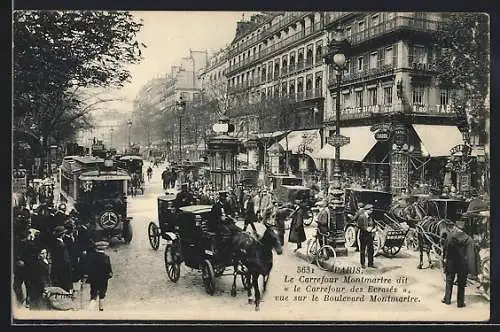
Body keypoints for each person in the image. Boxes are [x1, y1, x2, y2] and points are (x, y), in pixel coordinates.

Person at [441, 223, 471, 308]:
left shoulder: (450, 237)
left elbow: (445, 250)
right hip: (462, 265)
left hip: (451, 264)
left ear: (456, 228)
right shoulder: (467, 238)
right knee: (461, 284)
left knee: (449, 281)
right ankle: (460, 303)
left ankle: (447, 300)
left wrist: (444, 261)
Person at [86, 241, 113, 311]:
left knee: (93, 293)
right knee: (102, 293)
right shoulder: (106, 257)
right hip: (103, 279)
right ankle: (101, 308)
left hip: (94, 279)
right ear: (104, 249)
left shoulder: (92, 256)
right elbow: (108, 269)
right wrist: (109, 275)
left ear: (96, 249)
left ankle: (90, 308)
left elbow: (89, 267)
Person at [357, 204, 375, 268]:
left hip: (369, 235)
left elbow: (373, 224)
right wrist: (366, 229)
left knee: (371, 250)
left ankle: (370, 263)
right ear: (366, 210)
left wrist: (373, 228)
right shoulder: (361, 217)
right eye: (370, 210)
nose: (372, 211)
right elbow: (359, 226)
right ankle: (363, 264)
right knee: (363, 250)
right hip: (363, 235)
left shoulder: (371, 217)